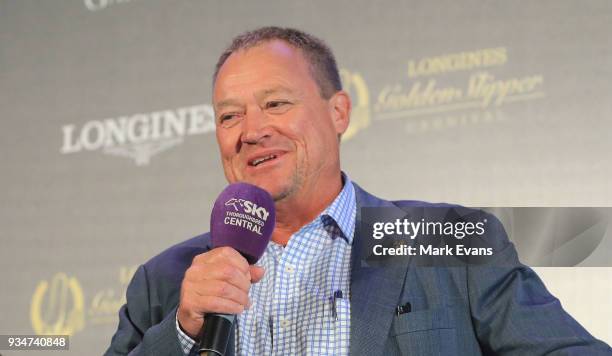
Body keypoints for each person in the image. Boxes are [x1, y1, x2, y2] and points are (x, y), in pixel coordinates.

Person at [105, 26, 611, 355]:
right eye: (229, 116)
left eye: (276, 103)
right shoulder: (166, 280)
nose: (251, 129)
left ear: (339, 112)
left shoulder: (446, 240)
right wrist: (184, 330)